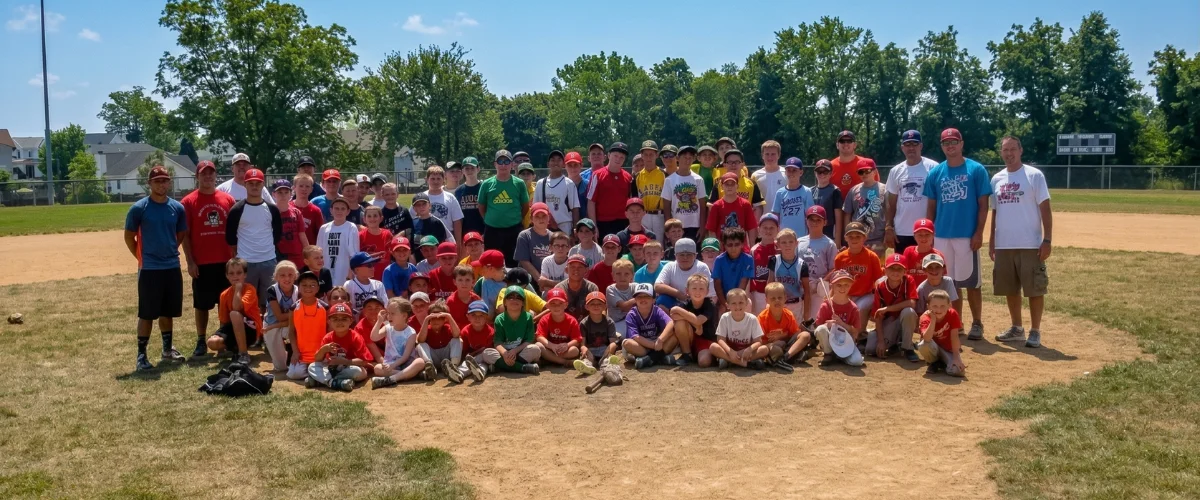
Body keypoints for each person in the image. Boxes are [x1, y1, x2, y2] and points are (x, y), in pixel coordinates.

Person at [923, 127, 993, 340]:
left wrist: (979, 233)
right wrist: (930, 234)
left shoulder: (976, 169)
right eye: (946, 143)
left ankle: (977, 323)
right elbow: (931, 208)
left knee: (971, 282)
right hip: (942, 235)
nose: (950, 146)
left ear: (961, 143)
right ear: (942, 146)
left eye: (954, 142)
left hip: (966, 235)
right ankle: (957, 322)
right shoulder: (936, 172)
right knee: (950, 283)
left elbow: (983, 205)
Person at [990, 135, 1053, 348]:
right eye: (1005, 150)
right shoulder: (996, 179)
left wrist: (1047, 240)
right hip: (1004, 243)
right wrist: (992, 241)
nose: (1009, 154)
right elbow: (995, 212)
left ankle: (1035, 331)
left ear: (1020, 150)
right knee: (1010, 288)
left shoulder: (1034, 176)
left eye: (1012, 149)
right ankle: (1017, 328)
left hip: (1030, 243)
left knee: (1034, 289)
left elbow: (1045, 209)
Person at [125, 165, 188, 371]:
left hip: (171, 266)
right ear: (149, 183)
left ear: (169, 182)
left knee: (167, 311)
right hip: (150, 268)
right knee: (147, 313)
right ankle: (141, 355)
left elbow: (180, 235)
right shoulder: (139, 208)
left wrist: (169, 250)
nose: (162, 184)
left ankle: (167, 349)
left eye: (164, 180)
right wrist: (141, 257)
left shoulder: (177, 208)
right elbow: (129, 236)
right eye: (157, 181)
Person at [180, 160, 234, 358]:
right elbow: (185, 235)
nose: (208, 177)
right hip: (202, 262)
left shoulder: (227, 200)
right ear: (198, 176)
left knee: (225, 304)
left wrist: (234, 259)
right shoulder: (188, 202)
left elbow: (233, 232)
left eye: (211, 173)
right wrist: (190, 261)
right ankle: (201, 340)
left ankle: (222, 340)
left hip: (225, 262)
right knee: (201, 305)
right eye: (204, 173)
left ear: (215, 176)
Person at [225, 168, 282, 309]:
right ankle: (250, 329)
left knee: (269, 301)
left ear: (263, 184)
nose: (255, 186)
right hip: (246, 262)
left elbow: (278, 234)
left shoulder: (272, 209)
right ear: (245, 185)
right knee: (247, 301)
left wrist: (266, 248)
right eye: (251, 183)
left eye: (258, 183)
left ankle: (265, 329)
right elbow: (230, 237)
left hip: (268, 261)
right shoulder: (237, 209)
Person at [885, 130, 937, 253]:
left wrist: (933, 228)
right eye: (908, 145)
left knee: (927, 268)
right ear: (902, 148)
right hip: (902, 230)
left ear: (921, 146)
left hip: (926, 231)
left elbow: (936, 201)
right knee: (901, 270)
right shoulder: (896, 171)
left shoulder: (933, 167)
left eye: (914, 144)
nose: (911, 148)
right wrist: (888, 227)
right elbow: (890, 203)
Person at [479, 150, 530, 267]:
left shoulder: (519, 183)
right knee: (492, 264)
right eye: (500, 161)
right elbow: (481, 206)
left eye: (506, 161)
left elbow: (525, 206)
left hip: (513, 230)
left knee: (513, 263)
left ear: (512, 164)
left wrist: (516, 219)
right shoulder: (486, 184)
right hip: (492, 231)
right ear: (495, 164)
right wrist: (489, 219)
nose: (503, 165)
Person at [207, 258, 262, 365]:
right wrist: (220, 347)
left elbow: (237, 308)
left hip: (251, 329)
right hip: (234, 327)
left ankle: (243, 353)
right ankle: (235, 347)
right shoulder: (224, 294)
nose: (235, 276)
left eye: (239, 273)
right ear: (227, 276)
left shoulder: (250, 289)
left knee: (234, 313)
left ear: (245, 274)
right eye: (231, 273)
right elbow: (224, 320)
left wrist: (237, 289)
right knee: (212, 343)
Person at [305, 303, 371, 391]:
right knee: (312, 366)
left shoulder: (356, 337)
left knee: (360, 372)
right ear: (329, 322)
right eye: (335, 319)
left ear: (351, 321)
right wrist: (323, 350)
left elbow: (364, 361)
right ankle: (335, 383)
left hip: (348, 368)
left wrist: (346, 361)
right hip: (331, 369)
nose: (339, 322)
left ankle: (321, 381)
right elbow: (317, 359)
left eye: (344, 319)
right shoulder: (328, 337)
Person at [370, 298, 431, 388]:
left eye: (392, 313)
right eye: (388, 313)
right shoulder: (388, 328)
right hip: (392, 365)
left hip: (406, 363)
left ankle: (391, 379)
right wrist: (379, 321)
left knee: (420, 362)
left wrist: (392, 366)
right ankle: (412, 375)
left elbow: (405, 356)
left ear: (404, 316)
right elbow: (373, 337)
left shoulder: (411, 332)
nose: (389, 316)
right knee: (377, 368)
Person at [869, 253, 920, 362]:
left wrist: (887, 308)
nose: (895, 272)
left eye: (899, 269)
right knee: (871, 349)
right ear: (885, 270)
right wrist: (881, 341)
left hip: (905, 319)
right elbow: (878, 316)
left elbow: (912, 303)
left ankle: (907, 348)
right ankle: (896, 344)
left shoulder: (908, 280)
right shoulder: (880, 287)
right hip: (890, 321)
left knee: (909, 312)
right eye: (892, 268)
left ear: (904, 271)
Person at [836, 222, 884, 331]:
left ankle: (859, 335)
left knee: (860, 308)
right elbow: (836, 281)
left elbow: (879, 282)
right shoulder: (840, 258)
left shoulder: (872, 257)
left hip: (866, 295)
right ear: (845, 238)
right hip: (846, 295)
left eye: (858, 236)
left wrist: (879, 302)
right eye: (850, 236)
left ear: (864, 237)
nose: (854, 239)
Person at [814, 270, 864, 367]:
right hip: (830, 341)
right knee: (821, 329)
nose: (843, 288)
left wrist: (842, 324)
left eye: (846, 285)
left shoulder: (853, 308)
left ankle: (840, 356)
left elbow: (855, 332)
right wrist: (828, 325)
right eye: (839, 285)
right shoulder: (826, 305)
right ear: (832, 286)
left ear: (851, 286)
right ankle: (829, 354)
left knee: (857, 362)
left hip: (845, 342)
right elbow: (817, 328)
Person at [759, 282, 812, 372]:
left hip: (787, 346)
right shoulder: (762, 317)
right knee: (776, 347)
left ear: (785, 298)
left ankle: (785, 357)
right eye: (773, 298)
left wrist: (782, 336)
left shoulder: (788, 314)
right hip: (771, 347)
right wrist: (774, 342)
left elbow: (794, 334)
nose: (777, 300)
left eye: (780, 298)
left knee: (806, 335)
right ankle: (793, 356)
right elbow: (760, 342)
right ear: (766, 300)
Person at [711, 288, 769, 370]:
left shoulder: (752, 319)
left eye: (741, 302)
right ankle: (745, 363)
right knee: (713, 347)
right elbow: (720, 339)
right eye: (734, 303)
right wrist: (730, 351)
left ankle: (730, 361)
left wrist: (749, 349)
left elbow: (758, 341)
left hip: (746, 351)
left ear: (746, 303)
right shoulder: (725, 317)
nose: (737, 306)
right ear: (727, 305)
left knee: (764, 349)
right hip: (730, 350)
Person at [668, 274, 719, 367]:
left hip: (706, 339)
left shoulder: (710, 305)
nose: (697, 291)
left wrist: (678, 310)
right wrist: (696, 326)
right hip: (690, 338)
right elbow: (673, 315)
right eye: (694, 288)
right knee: (679, 322)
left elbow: (699, 320)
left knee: (704, 362)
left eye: (701, 289)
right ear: (687, 291)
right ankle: (687, 354)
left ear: (707, 291)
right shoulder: (685, 304)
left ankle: (714, 356)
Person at [622, 283, 676, 369]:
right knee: (627, 343)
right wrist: (653, 346)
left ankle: (648, 359)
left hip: (657, 341)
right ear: (635, 299)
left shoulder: (657, 310)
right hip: (642, 345)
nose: (643, 299)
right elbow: (635, 337)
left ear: (653, 299)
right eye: (639, 297)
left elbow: (671, 323)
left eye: (646, 296)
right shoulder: (631, 314)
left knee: (675, 335)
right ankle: (660, 357)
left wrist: (660, 340)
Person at [797, 207, 837, 320]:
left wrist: (820, 284)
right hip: (800, 285)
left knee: (816, 319)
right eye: (811, 219)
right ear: (806, 221)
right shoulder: (799, 241)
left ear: (825, 222)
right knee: (800, 318)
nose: (814, 222)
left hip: (818, 287)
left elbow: (833, 268)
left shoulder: (829, 244)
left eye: (818, 220)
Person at [493, 286, 544, 374]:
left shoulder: (528, 317)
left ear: (523, 303)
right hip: (505, 353)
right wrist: (505, 354)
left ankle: (502, 366)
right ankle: (523, 367)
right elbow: (497, 342)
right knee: (487, 353)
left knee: (536, 349)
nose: (514, 300)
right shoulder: (499, 319)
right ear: (505, 302)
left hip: (520, 352)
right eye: (510, 297)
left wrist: (514, 351)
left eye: (518, 298)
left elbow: (529, 340)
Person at [587, 142, 633, 238]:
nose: (618, 159)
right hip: (603, 222)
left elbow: (630, 202)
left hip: (623, 222)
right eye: (615, 155)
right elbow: (591, 202)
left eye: (622, 157)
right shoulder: (597, 175)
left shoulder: (628, 177)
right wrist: (594, 226)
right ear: (608, 156)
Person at [842, 158, 886, 258]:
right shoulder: (854, 190)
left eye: (867, 171)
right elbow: (847, 213)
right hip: (857, 237)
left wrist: (887, 233)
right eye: (861, 172)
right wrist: (847, 232)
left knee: (878, 268)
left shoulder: (884, 189)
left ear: (874, 171)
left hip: (878, 238)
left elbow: (889, 213)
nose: (864, 174)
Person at [286, 270, 327, 380]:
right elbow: (291, 332)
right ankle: (312, 375)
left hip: (321, 354)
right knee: (294, 374)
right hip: (302, 355)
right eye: (304, 285)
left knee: (327, 370)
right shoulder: (294, 308)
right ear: (298, 287)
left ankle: (313, 374)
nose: (308, 287)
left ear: (318, 288)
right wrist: (295, 352)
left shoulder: (325, 308)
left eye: (312, 285)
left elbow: (330, 331)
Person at [655, 238, 717, 309]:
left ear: (695, 256)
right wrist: (678, 294)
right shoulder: (670, 266)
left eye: (689, 254)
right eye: (681, 255)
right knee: (661, 300)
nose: (685, 257)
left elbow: (712, 295)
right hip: (676, 303)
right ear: (675, 256)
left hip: (696, 304)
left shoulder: (701, 267)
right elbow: (657, 286)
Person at [767, 228, 812, 322]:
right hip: (777, 303)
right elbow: (769, 285)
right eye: (783, 242)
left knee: (794, 334)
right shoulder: (774, 261)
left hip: (795, 305)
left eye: (791, 242)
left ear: (796, 243)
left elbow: (807, 292)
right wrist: (768, 303)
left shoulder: (802, 265)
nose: (787, 245)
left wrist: (806, 315)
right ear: (778, 244)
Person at [917, 289, 966, 376]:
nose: (939, 309)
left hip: (948, 349)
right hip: (933, 347)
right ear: (928, 307)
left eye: (943, 306)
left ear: (949, 305)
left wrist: (956, 357)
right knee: (923, 345)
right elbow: (927, 338)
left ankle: (942, 362)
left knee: (958, 371)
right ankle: (934, 362)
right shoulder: (925, 317)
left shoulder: (953, 314)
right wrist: (933, 320)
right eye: (935, 306)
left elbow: (954, 336)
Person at [262, 261, 300, 372]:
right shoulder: (272, 290)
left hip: (291, 324)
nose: (287, 278)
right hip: (271, 323)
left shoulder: (298, 291)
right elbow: (279, 316)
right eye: (282, 275)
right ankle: (282, 356)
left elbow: (297, 318)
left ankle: (294, 354)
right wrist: (295, 314)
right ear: (276, 277)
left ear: (295, 276)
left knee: (297, 330)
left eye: (290, 275)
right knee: (280, 367)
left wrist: (295, 316)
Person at [416, 299, 464, 383]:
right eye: (433, 317)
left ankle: (453, 366)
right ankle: (430, 367)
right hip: (433, 358)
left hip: (446, 358)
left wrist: (449, 317)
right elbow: (420, 340)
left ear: (444, 319)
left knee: (457, 340)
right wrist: (426, 320)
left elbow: (456, 334)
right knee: (421, 345)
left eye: (440, 318)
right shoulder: (427, 328)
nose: (436, 320)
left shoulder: (447, 327)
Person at [534, 150, 580, 236]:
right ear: (548, 164)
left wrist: (575, 229)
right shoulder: (541, 183)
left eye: (559, 160)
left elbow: (575, 209)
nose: (556, 163)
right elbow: (536, 207)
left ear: (563, 164)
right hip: (545, 226)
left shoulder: (569, 183)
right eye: (553, 160)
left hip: (565, 226)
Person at [575, 291, 622, 375]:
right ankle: (588, 365)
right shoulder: (584, 323)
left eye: (599, 304)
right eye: (592, 304)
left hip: (604, 349)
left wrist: (611, 349)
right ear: (586, 307)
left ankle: (606, 363)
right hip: (591, 349)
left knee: (614, 345)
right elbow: (582, 343)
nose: (596, 306)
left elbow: (612, 342)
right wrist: (583, 348)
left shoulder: (609, 322)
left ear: (605, 306)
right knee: (586, 354)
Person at [415, 165, 464, 245]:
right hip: (425, 238)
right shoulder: (421, 197)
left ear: (444, 179)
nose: (436, 182)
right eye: (432, 179)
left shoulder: (450, 197)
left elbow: (457, 222)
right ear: (426, 179)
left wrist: (458, 243)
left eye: (438, 179)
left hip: (446, 237)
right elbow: (412, 217)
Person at [536, 288, 583, 368]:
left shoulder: (572, 320)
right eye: (553, 304)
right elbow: (539, 337)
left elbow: (577, 339)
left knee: (575, 350)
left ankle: (550, 359)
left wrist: (567, 345)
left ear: (566, 305)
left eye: (560, 303)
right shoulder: (544, 319)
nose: (556, 306)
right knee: (539, 345)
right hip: (550, 348)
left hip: (563, 350)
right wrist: (552, 346)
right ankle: (563, 362)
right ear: (548, 306)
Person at [316, 198, 360, 283]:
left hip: (344, 270)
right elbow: (318, 251)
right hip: (326, 268)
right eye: (336, 208)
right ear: (331, 210)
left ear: (348, 211)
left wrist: (351, 271)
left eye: (343, 209)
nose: (339, 211)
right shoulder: (324, 228)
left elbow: (354, 252)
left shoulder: (351, 227)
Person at [707, 173, 758, 243]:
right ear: (721, 186)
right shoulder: (716, 206)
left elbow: (751, 228)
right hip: (722, 249)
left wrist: (752, 248)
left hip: (741, 248)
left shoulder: (745, 204)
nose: (729, 187)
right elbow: (711, 230)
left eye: (732, 184)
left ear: (737, 186)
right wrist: (716, 249)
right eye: (727, 184)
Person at [712, 227, 754, 313]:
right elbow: (717, 284)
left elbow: (744, 283)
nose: (733, 248)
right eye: (730, 245)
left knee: (747, 305)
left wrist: (735, 303)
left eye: (737, 244)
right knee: (721, 313)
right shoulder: (719, 260)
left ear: (742, 244)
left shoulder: (748, 259)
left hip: (740, 297)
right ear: (724, 245)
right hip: (722, 299)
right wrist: (725, 304)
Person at [455, 299, 498, 383]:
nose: (477, 318)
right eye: (473, 315)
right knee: (467, 362)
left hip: (484, 358)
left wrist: (472, 357)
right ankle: (459, 373)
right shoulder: (465, 331)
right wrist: (468, 356)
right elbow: (464, 350)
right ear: (468, 316)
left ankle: (479, 373)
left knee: (483, 363)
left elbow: (487, 351)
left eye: (481, 315)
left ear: (486, 317)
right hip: (470, 357)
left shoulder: (490, 332)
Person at [772, 157, 815, 236]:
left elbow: (810, 216)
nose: (791, 173)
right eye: (789, 170)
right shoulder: (780, 192)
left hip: (801, 235)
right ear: (785, 172)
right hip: (783, 236)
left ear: (801, 172)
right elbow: (776, 216)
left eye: (794, 170)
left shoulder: (806, 191)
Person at [829, 131, 878, 198]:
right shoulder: (830, 166)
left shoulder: (866, 164)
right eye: (842, 141)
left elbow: (876, 187)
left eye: (849, 141)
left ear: (854, 145)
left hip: (862, 206)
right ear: (837, 145)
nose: (846, 144)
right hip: (837, 207)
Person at [271, 180, 309, 266]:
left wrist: (308, 253)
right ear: (274, 194)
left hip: (296, 254)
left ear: (290, 194)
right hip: (277, 254)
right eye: (280, 192)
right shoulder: (270, 212)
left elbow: (302, 235)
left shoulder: (296, 212)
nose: (283, 195)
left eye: (286, 192)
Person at [515, 202, 554, 288]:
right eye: (537, 216)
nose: (541, 219)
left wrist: (547, 282)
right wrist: (540, 280)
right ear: (531, 219)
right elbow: (524, 261)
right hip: (528, 281)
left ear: (549, 218)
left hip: (547, 281)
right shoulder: (524, 235)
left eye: (544, 216)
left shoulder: (553, 237)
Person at [634, 140, 667, 240]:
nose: (648, 157)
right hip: (644, 215)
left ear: (656, 155)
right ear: (642, 156)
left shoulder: (664, 174)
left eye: (651, 154)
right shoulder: (637, 176)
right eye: (646, 154)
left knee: (659, 244)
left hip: (659, 215)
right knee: (644, 243)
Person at [749, 214, 780, 313]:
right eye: (765, 227)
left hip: (777, 292)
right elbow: (751, 275)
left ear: (777, 229)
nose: (768, 231)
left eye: (772, 228)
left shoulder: (780, 248)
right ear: (759, 229)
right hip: (759, 293)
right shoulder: (754, 250)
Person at [810, 160, 844, 246]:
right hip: (813, 231)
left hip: (829, 232)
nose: (822, 174)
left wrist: (838, 240)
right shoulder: (810, 191)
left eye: (825, 172)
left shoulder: (835, 191)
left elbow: (838, 218)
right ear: (815, 173)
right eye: (819, 172)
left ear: (830, 173)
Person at [557, 254, 600, 319]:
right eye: (572, 267)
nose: (576, 270)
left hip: (586, 326)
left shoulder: (592, 288)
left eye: (580, 267)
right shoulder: (559, 289)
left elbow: (598, 312)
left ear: (586, 270)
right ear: (566, 270)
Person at [901, 219, 945, 284]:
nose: (923, 238)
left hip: (930, 291)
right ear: (914, 236)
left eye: (927, 234)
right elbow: (902, 273)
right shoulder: (908, 251)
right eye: (920, 235)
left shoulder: (937, 255)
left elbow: (943, 277)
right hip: (911, 290)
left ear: (933, 235)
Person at [753, 140, 788, 219]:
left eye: (773, 154)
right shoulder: (755, 176)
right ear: (762, 155)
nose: (770, 157)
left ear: (779, 155)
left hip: (783, 219)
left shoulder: (786, 173)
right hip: (762, 219)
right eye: (767, 154)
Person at [358, 206, 393, 281]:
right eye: (369, 216)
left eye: (375, 216)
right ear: (364, 219)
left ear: (381, 218)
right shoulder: (360, 235)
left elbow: (390, 254)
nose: (372, 219)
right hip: (366, 276)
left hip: (384, 275)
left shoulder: (387, 234)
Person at [470, 250, 508, 316]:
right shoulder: (481, 282)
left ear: (490, 269)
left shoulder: (516, 279)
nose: (480, 270)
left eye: (481, 267)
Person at [445, 265, 481, 334]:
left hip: (473, 332)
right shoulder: (450, 301)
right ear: (454, 282)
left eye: (467, 280)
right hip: (456, 334)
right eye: (460, 280)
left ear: (473, 282)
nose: (464, 283)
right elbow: (448, 324)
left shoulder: (476, 299)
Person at [455, 157, 486, 236]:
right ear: (462, 171)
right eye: (467, 168)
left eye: (472, 168)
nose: (470, 171)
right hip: (465, 232)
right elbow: (458, 216)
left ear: (478, 169)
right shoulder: (458, 190)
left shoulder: (484, 187)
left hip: (483, 230)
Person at [606, 259, 636, 336]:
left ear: (632, 276)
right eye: (618, 274)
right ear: (613, 276)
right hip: (617, 322)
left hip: (634, 320)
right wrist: (638, 299)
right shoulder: (611, 289)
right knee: (620, 337)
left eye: (626, 274)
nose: (622, 277)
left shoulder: (635, 286)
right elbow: (624, 307)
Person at [291, 173, 324, 245]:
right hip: (291, 251)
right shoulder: (287, 207)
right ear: (294, 188)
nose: (304, 189)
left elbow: (320, 234)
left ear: (311, 189)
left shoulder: (315, 211)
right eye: (301, 186)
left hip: (309, 251)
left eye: (307, 186)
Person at [565, 151, 591, 221]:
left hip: (584, 225)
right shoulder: (561, 184)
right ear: (565, 166)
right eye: (570, 165)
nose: (573, 168)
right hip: (565, 225)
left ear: (581, 165)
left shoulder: (588, 185)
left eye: (575, 165)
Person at [517, 162, 539, 227]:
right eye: (523, 174)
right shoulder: (514, 191)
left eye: (528, 173)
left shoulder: (537, 191)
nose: (525, 176)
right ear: (518, 176)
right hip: (517, 225)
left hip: (533, 226)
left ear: (534, 176)